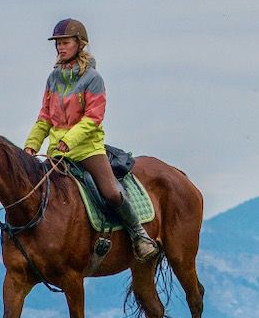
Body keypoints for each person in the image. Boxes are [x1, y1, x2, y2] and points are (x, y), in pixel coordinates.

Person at [24, 18, 160, 261]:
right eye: (58, 44)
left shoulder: (93, 79)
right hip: (57, 153)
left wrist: (70, 140)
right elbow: (44, 117)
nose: (60, 48)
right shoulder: (53, 79)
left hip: (88, 150)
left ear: (79, 44)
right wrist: (31, 145)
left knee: (111, 192)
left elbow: (93, 118)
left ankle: (139, 235)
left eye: (65, 43)